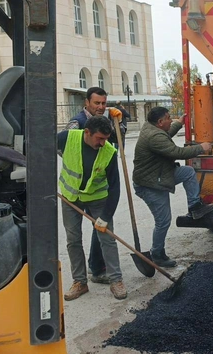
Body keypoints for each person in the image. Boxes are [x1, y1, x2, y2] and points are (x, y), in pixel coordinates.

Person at [132, 107, 213, 267]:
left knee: (188, 172)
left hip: (160, 175)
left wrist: (178, 123)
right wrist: (201, 148)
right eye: (169, 118)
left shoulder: (151, 128)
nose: (170, 120)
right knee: (163, 221)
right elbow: (176, 152)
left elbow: (166, 134)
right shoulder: (154, 136)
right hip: (151, 184)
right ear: (160, 122)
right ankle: (157, 254)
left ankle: (195, 207)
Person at [58, 116, 126, 300]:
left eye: (106, 138)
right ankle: (80, 282)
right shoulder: (67, 138)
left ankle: (116, 280)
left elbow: (115, 187)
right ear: (87, 133)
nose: (103, 143)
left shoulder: (109, 152)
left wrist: (105, 215)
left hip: (98, 199)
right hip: (70, 198)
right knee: (73, 240)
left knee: (107, 238)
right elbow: (42, 153)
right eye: (100, 138)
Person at [65, 87, 127, 284]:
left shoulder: (107, 124)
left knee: (103, 232)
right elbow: (64, 151)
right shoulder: (76, 125)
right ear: (87, 103)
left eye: (103, 103)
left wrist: (120, 121)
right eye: (96, 103)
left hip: (98, 191)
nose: (101, 107)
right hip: (73, 193)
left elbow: (117, 141)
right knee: (74, 239)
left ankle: (102, 270)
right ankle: (82, 279)